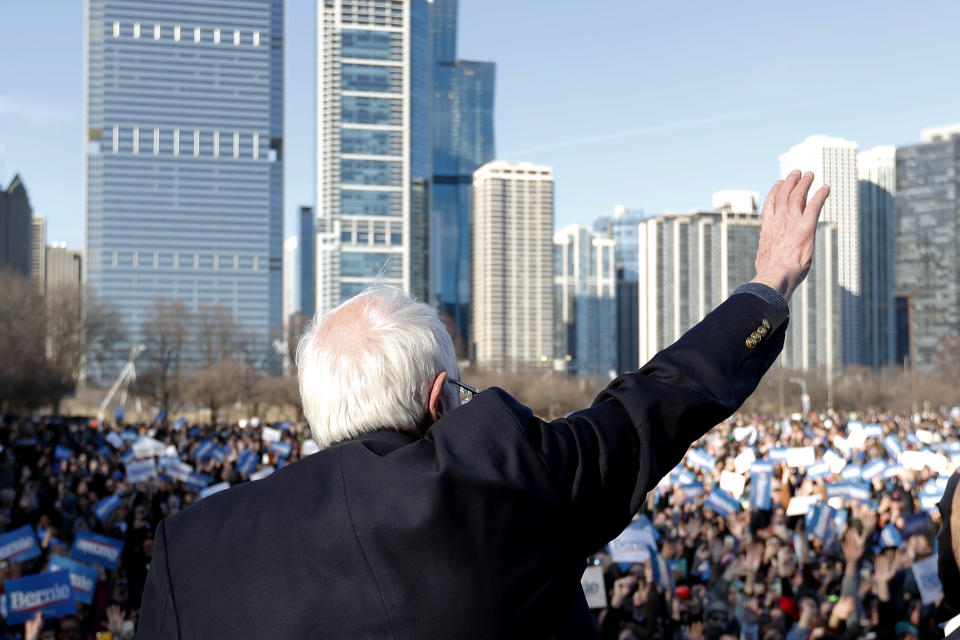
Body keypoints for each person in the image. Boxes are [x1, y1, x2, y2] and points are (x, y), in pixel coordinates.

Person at [136, 171, 829, 639]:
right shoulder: (498, 477)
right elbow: (651, 407)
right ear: (440, 400)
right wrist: (769, 282)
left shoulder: (188, 551)